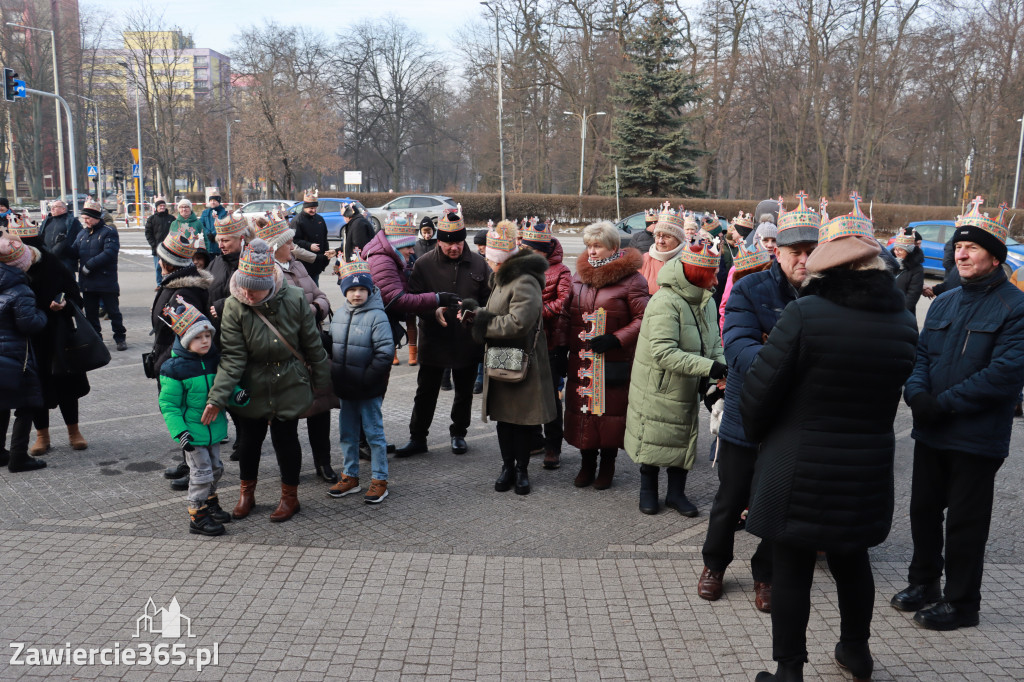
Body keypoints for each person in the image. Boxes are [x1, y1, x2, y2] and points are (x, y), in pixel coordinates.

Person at [741, 194, 918, 682]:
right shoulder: (904, 321)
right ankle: (856, 654)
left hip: (798, 464)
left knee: (793, 566)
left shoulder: (806, 314)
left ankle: (788, 672)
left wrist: (759, 435)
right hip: (865, 466)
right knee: (852, 559)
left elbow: (760, 389)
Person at [894, 197, 1024, 632]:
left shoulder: (1015, 306)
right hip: (932, 430)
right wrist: (916, 393)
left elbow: (1004, 374)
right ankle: (924, 584)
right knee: (923, 511)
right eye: (958, 248)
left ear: (995, 256)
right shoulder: (946, 302)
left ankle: (962, 602)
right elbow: (921, 356)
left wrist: (942, 403)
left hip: (976, 435)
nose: (960, 254)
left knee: (966, 524)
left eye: (971, 248)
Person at [699, 193, 820, 614]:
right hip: (746, 415)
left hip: (792, 422)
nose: (803, 260)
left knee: (778, 500)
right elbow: (740, 352)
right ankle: (714, 564)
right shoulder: (750, 286)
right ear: (778, 252)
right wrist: (800, 359)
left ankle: (765, 573)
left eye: (811, 251)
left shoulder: (827, 295)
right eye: (795, 252)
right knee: (730, 498)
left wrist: (777, 350)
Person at [204, 239, 331, 523]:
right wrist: (217, 398)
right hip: (252, 382)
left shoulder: (296, 298)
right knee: (249, 441)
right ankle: (246, 494)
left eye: (255, 288)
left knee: (286, 439)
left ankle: (290, 497)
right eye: (244, 287)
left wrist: (321, 385)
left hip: (288, 379)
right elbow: (232, 357)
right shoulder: (235, 305)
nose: (248, 294)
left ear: (270, 283)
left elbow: (312, 344)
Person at [626, 238, 725, 518]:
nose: (717, 280)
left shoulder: (704, 300)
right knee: (655, 435)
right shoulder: (664, 301)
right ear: (697, 275)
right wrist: (710, 367)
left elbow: (715, 342)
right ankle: (648, 491)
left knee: (683, 435)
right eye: (712, 274)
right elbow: (663, 352)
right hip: (658, 384)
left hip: (689, 382)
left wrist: (721, 367)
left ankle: (675, 493)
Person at [459, 221, 555, 495]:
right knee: (504, 418)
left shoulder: (523, 280)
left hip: (521, 360)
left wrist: (481, 325)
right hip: (503, 358)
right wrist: (473, 313)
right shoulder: (502, 277)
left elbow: (518, 323)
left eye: (489, 258)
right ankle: (507, 467)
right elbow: (496, 312)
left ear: (499, 259)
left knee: (521, 420)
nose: (487, 262)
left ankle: (522, 470)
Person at [559, 221, 649, 489]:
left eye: (598, 246)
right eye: (589, 245)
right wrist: (561, 346)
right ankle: (587, 464)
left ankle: (607, 465)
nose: (592, 251)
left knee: (609, 414)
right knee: (583, 412)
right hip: (582, 359)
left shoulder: (633, 279)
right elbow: (566, 314)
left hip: (613, 360)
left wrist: (616, 338)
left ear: (613, 247)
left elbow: (645, 317)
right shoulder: (579, 276)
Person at [396, 208, 489, 458]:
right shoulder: (424, 264)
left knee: (464, 393)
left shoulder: (480, 264)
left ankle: (459, 434)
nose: (454, 248)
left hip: (466, 342)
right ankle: (418, 437)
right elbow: (412, 300)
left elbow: (489, 301)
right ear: (438, 242)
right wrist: (430, 311)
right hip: (434, 341)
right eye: (448, 244)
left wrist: (478, 314)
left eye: (458, 243)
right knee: (425, 392)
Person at [258, 213, 337, 484]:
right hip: (286, 354)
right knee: (286, 418)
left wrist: (315, 309)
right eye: (288, 241)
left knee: (320, 410)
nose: (293, 244)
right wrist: (309, 311)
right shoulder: (267, 272)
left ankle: (323, 463)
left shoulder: (298, 265)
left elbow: (322, 296)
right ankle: (290, 471)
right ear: (276, 245)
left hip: (313, 348)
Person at [158, 298, 248, 536]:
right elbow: (169, 405)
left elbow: (224, 388)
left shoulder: (214, 361)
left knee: (217, 468)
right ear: (186, 340)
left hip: (214, 429)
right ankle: (197, 515)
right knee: (201, 473)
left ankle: (210, 501)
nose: (205, 341)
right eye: (198, 337)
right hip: (193, 433)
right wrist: (180, 433)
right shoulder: (173, 368)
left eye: (208, 336)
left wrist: (238, 396)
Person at [10, 217, 91, 456]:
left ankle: (74, 431)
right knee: (35, 388)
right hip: (28, 339)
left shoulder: (52, 264)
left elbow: (76, 296)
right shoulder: (9, 270)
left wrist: (64, 304)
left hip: (58, 336)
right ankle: (42, 436)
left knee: (66, 384)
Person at [327, 258, 395, 503]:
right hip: (346, 388)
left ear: (369, 290)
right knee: (347, 433)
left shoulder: (377, 316)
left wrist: (367, 379)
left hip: (368, 388)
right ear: (345, 290)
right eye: (352, 289)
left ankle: (379, 479)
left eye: (362, 289)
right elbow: (334, 344)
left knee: (374, 435)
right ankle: (350, 476)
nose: (357, 294)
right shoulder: (340, 314)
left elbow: (385, 352)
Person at [518, 221, 571, 470]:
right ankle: (534, 440)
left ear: (545, 250)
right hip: (524, 341)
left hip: (550, 344)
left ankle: (553, 446)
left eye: (535, 251)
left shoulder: (561, 271)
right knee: (527, 394)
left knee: (550, 397)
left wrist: (534, 313)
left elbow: (563, 302)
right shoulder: (518, 267)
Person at [0, 235, 49, 472]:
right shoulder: (20, 290)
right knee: (27, 404)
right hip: (17, 356)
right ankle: (19, 456)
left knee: (1, 404)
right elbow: (29, 324)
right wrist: (43, 314)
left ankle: (0, 453)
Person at [150, 226, 212, 378]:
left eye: (161, 260)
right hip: (172, 365)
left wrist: (161, 364)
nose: (159, 263)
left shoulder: (183, 295)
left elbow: (189, 337)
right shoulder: (173, 285)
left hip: (178, 370)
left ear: (170, 264)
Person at [68, 199, 126, 351]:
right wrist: (63, 247)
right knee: (91, 314)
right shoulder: (82, 234)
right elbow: (74, 251)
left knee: (113, 312)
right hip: (88, 282)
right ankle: (96, 338)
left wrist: (89, 265)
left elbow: (110, 253)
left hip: (106, 280)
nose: (85, 221)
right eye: (84, 218)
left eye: (88, 218)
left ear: (96, 217)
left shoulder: (109, 232)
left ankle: (120, 337)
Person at [638, 206, 687, 295]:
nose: (660, 241)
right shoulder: (645, 259)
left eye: (667, 236)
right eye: (657, 236)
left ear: (678, 240)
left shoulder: (687, 260)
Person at [291, 188, 330, 285]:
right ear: (305, 207)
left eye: (315, 208)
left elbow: (324, 238)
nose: (313, 210)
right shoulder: (297, 220)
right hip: (304, 262)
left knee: (315, 288)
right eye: (311, 208)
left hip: (317, 262)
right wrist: (309, 245)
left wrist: (326, 255)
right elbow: (293, 241)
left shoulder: (319, 219)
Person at [37, 199, 82, 276]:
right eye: (51, 206)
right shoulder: (47, 221)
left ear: (63, 209)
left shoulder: (72, 222)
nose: (52, 208)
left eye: (55, 206)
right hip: (48, 259)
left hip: (65, 261)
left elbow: (80, 239)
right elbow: (40, 236)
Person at [890, 228, 924, 314]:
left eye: (900, 250)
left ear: (908, 251)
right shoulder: (889, 264)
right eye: (895, 249)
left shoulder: (916, 269)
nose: (897, 252)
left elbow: (912, 297)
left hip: (902, 314)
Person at [144, 198, 175, 286]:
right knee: (158, 267)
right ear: (156, 207)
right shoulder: (152, 219)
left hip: (170, 248)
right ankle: (159, 284)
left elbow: (175, 232)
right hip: (157, 248)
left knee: (170, 266)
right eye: (160, 206)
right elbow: (148, 233)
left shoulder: (171, 218)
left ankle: (170, 282)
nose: (162, 207)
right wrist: (154, 245)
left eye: (163, 206)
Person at [199, 189, 228, 256]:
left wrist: (213, 234)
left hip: (219, 244)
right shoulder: (205, 212)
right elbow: (201, 224)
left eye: (214, 200)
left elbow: (224, 225)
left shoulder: (224, 212)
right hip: (207, 244)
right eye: (211, 200)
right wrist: (207, 233)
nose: (212, 202)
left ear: (218, 201)